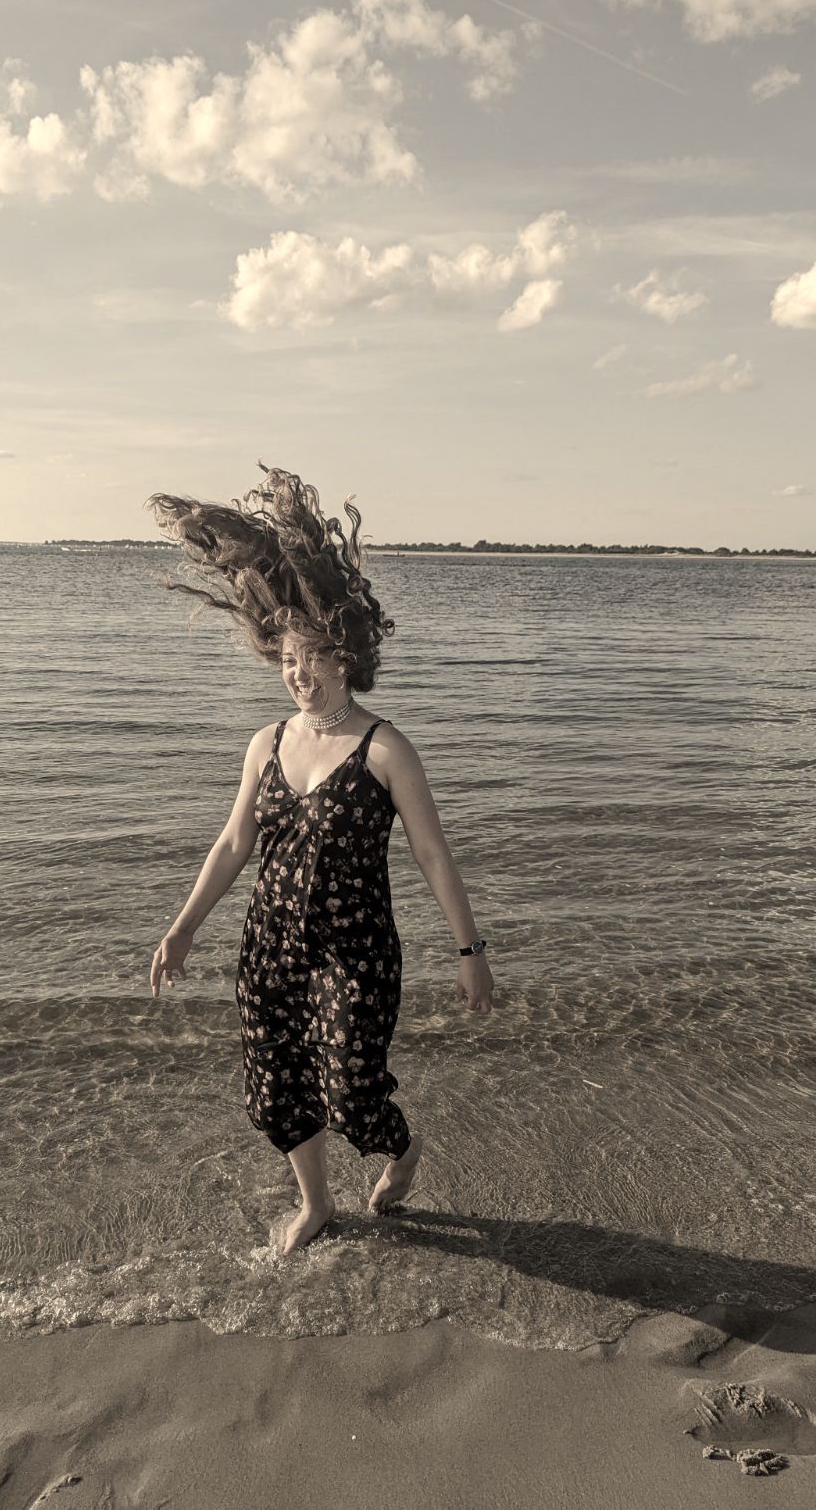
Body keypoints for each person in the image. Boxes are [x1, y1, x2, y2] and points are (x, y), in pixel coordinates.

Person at [145, 464, 495, 1255]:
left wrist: (469, 952)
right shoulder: (266, 743)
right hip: (270, 945)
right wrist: (183, 928)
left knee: (352, 1092)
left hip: (355, 951)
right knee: (276, 1086)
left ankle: (401, 1152)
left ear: (346, 657)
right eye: (287, 659)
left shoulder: (384, 749)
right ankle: (317, 1203)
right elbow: (234, 843)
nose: (299, 673)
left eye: (313, 658)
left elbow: (435, 857)